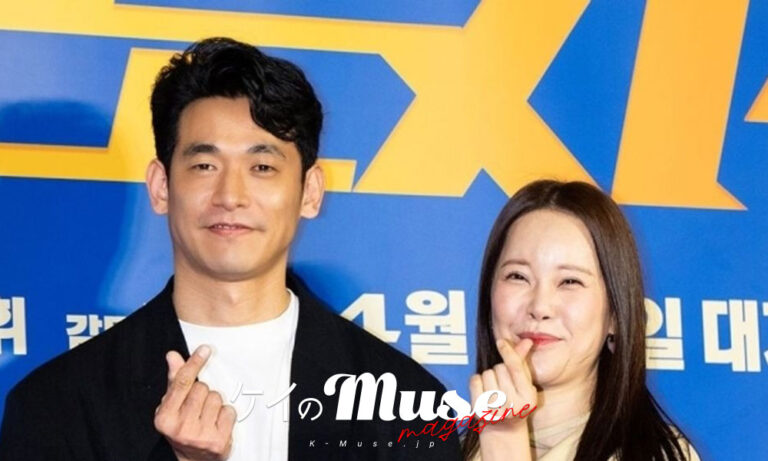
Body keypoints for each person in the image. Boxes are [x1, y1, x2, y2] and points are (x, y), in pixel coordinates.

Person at [0, 37, 459, 461]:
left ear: (310, 192)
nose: (231, 196)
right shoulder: (56, 406)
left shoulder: (406, 403)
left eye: (262, 167)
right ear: (161, 187)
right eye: (204, 165)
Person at [462, 180, 699, 461]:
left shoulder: (656, 454)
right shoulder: (440, 449)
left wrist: (504, 444)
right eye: (518, 276)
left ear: (615, 315)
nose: (540, 307)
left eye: (569, 281)